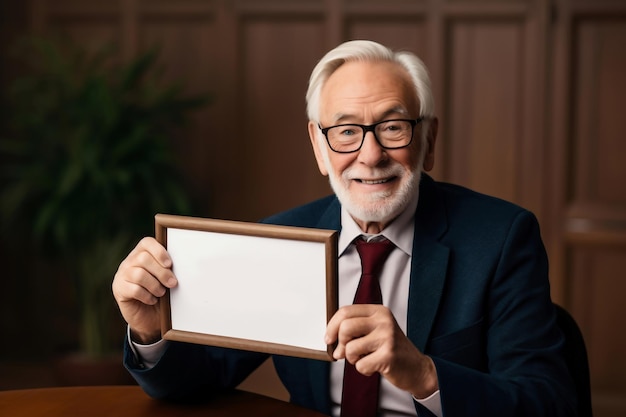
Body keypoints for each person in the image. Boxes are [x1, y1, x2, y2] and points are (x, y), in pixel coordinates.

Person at [112, 40, 577, 416]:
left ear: (428, 140)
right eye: (346, 131)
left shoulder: (501, 238)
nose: (370, 155)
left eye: (393, 128)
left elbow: (549, 403)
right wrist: (151, 333)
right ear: (319, 145)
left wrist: (424, 373)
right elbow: (198, 381)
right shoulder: (282, 242)